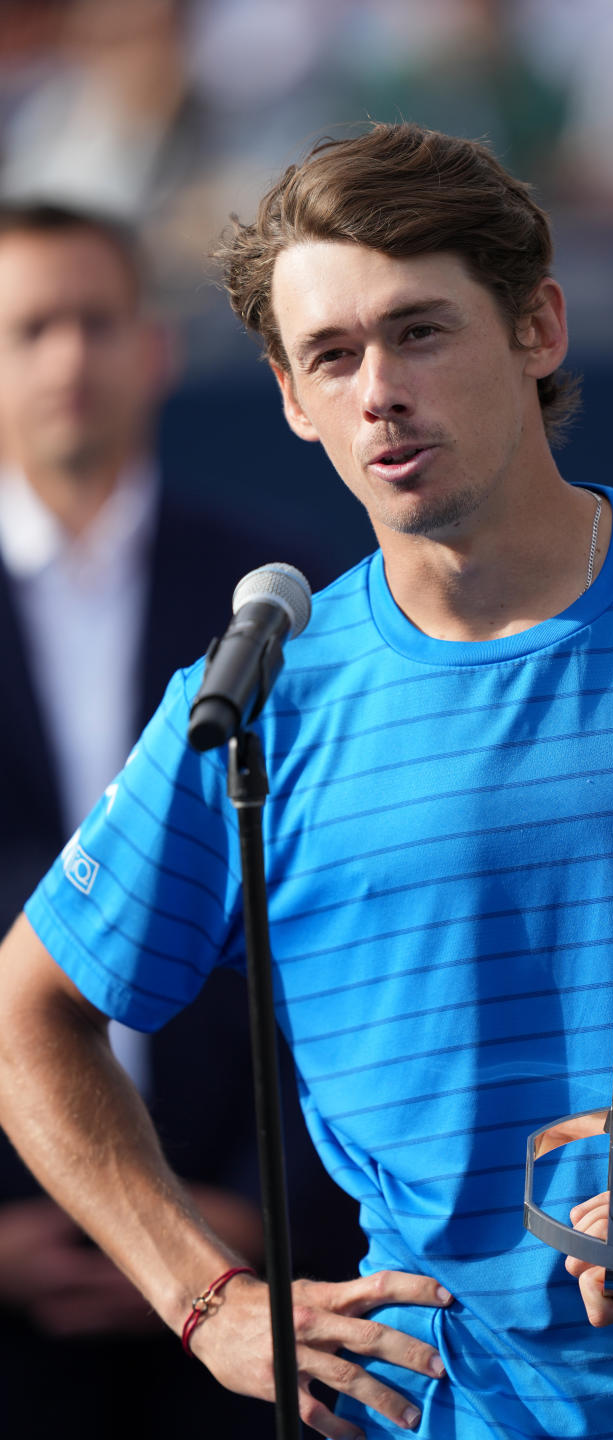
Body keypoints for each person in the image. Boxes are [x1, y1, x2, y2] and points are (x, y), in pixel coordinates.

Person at [0, 122, 613, 1440]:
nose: (378, 389)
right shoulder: (258, 697)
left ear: (541, 327)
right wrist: (206, 1300)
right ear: (287, 398)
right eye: (331, 356)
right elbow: (28, 1016)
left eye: (421, 332)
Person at [0, 200, 360, 1436]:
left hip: (267, 1276)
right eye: (29, 327)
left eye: (96, 322)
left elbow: (345, 922)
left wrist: (265, 1205)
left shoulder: (288, 595)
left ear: (152, 347)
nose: (67, 359)